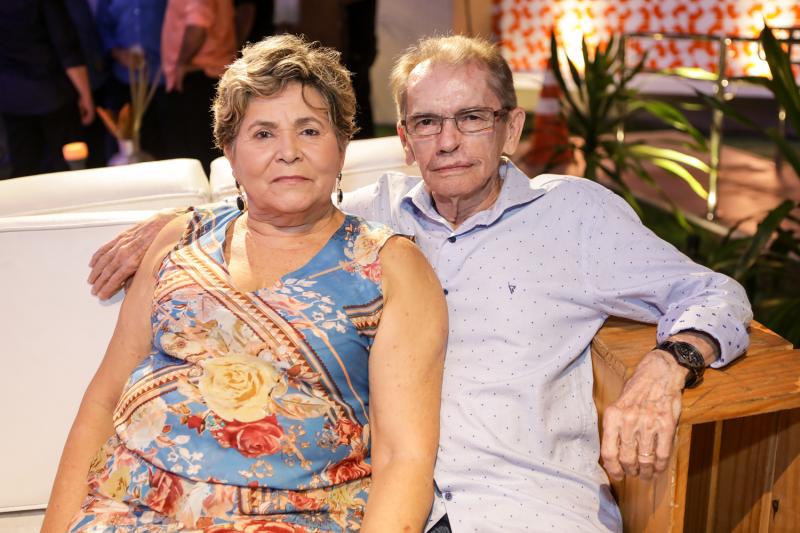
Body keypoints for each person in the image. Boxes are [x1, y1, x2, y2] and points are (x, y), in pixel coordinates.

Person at [87, 35, 752, 532]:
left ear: (511, 126)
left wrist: (668, 365)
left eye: (472, 117)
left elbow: (717, 294)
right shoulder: (376, 218)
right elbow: (280, 192)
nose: (448, 141)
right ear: (405, 139)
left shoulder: (574, 216)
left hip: (530, 506)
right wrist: (183, 219)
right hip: (399, 507)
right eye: (428, 123)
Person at [43, 34, 447, 533]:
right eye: (263, 134)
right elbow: (105, 400)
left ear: (342, 147)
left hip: (293, 518)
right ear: (230, 153)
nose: (289, 152)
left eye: (309, 130)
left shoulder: (389, 265)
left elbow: (403, 458)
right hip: (126, 512)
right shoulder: (179, 239)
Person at [0, 0, 95, 178]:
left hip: (11, 95)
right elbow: (66, 48)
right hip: (52, 94)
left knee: (25, 169)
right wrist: (86, 95)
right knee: (66, 168)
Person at [161, 0, 237, 173]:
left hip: (196, 75)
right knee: (210, 152)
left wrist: (180, 64)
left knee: (196, 158)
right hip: (210, 73)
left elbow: (197, 27)